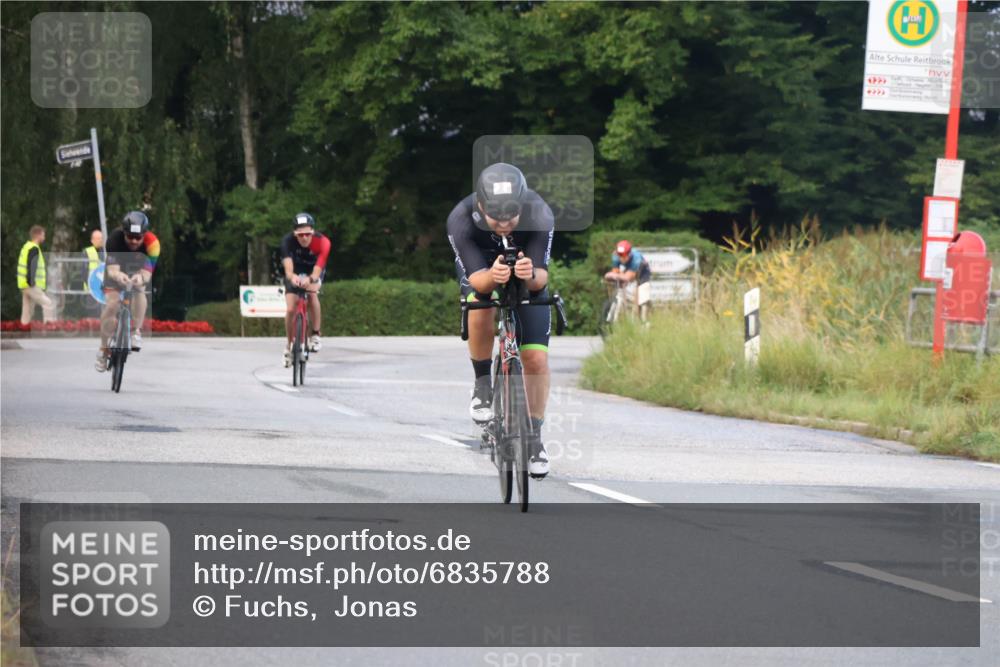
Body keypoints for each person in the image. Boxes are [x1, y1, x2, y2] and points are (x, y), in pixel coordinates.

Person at [447, 162, 555, 478]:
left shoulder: (540, 212)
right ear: (481, 206)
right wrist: (492, 277)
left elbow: (541, 279)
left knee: (535, 359)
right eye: (497, 218)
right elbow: (478, 281)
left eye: (512, 217)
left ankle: (533, 438)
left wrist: (531, 274)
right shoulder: (461, 218)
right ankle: (482, 382)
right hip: (480, 270)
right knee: (480, 303)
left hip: (525, 272)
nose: (505, 224)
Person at [95, 212, 160, 372]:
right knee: (112, 304)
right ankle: (103, 350)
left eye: (138, 237)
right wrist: (119, 276)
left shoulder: (153, 244)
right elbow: (112, 270)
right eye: (130, 236)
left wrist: (140, 278)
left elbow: (147, 274)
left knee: (140, 289)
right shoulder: (114, 240)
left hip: (137, 269)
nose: (134, 241)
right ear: (124, 233)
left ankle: (135, 331)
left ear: (145, 235)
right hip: (117, 271)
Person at [279, 212, 330, 367]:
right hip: (295, 270)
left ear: (313, 232)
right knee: (290, 309)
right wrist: (292, 277)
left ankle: (315, 334)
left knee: (312, 295)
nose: (304, 238)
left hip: (314, 269)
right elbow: (288, 269)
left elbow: (318, 269)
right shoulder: (287, 242)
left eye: (308, 234)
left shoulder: (322, 242)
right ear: (295, 233)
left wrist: (311, 279)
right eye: (300, 235)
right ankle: (289, 346)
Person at [604, 240, 652, 321]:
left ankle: (643, 318)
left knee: (640, 294)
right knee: (621, 283)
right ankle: (621, 309)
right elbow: (615, 271)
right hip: (629, 268)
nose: (621, 258)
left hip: (642, 272)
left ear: (629, 254)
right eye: (619, 255)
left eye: (624, 255)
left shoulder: (636, 258)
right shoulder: (615, 255)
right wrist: (613, 276)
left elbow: (629, 277)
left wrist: (614, 275)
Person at [17, 225, 56, 325]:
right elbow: (32, 266)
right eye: (43, 234)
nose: (44, 237)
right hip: (31, 284)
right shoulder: (34, 249)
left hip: (24, 284)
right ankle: (50, 325)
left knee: (27, 309)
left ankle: (23, 327)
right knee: (48, 303)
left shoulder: (27, 247)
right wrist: (31, 282)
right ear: (38, 235)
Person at [81, 229, 104, 315]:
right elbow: (83, 271)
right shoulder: (87, 251)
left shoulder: (106, 251)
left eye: (101, 238)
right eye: (98, 238)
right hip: (91, 287)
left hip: (103, 288)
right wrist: (88, 285)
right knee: (93, 313)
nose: (100, 240)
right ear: (92, 240)